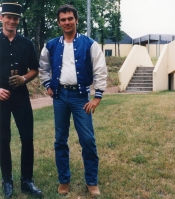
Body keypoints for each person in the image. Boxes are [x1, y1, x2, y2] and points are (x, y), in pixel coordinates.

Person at [39, 4, 107, 197]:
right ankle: (64, 181)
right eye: (63, 19)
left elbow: (100, 69)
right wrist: (47, 84)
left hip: (80, 98)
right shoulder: (51, 45)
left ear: (76, 20)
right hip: (59, 97)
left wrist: (98, 96)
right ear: (59, 22)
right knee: (60, 140)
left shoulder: (89, 44)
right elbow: (43, 66)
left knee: (88, 140)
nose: (67, 22)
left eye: (70, 18)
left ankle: (92, 182)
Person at [0, 2, 42, 198]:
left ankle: (27, 180)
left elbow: (35, 69)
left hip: (21, 97)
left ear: (18, 20)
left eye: (15, 18)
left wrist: (24, 78)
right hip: (1, 98)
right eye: (8, 17)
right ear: (1, 18)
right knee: (3, 139)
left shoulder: (26, 43)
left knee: (27, 138)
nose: (12, 21)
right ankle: (7, 180)